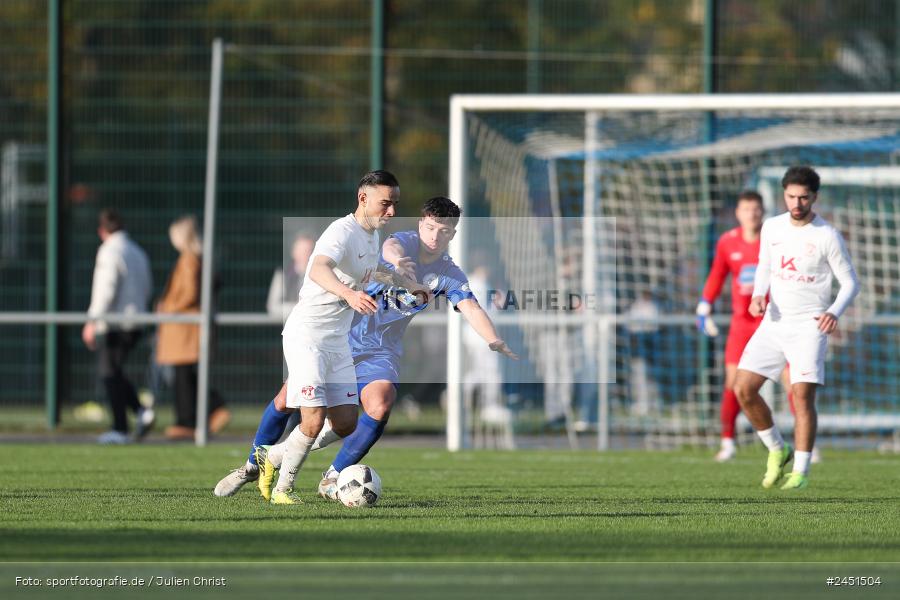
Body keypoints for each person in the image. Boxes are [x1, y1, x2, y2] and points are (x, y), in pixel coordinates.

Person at [214, 196, 518, 500]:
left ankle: (332, 478)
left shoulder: (449, 274)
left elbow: (472, 308)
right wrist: (398, 265)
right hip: (340, 336)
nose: (436, 236)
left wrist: (493, 339)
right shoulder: (403, 244)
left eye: (444, 231)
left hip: (380, 351)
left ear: (453, 234)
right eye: (431, 227)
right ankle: (252, 465)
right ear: (420, 225)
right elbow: (390, 249)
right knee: (286, 401)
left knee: (380, 403)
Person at [734, 166, 859, 490]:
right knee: (743, 389)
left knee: (801, 396)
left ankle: (801, 471)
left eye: (804, 197)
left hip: (809, 326)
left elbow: (850, 283)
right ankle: (778, 449)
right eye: (791, 196)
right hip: (774, 321)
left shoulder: (826, 235)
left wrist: (833, 312)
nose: (797, 202)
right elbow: (765, 265)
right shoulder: (772, 227)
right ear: (784, 195)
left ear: (814, 197)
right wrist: (759, 294)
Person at [83, 208, 154, 444]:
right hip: (136, 319)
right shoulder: (136, 250)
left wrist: (93, 320)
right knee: (114, 370)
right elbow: (147, 286)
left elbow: (106, 289)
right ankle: (141, 411)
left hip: (116, 322)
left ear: (101, 231)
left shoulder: (109, 251)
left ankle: (120, 428)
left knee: (108, 372)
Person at [155, 215, 229, 440]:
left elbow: (188, 292)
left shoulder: (188, 260)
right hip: (184, 328)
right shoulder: (196, 258)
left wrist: (166, 307)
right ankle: (205, 412)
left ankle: (191, 419)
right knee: (185, 376)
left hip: (184, 328)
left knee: (183, 376)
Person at [267, 230, 316, 321]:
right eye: (301, 250)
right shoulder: (282, 275)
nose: (305, 254)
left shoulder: (321, 276)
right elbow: (273, 307)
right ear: (294, 252)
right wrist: (301, 308)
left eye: (308, 250)